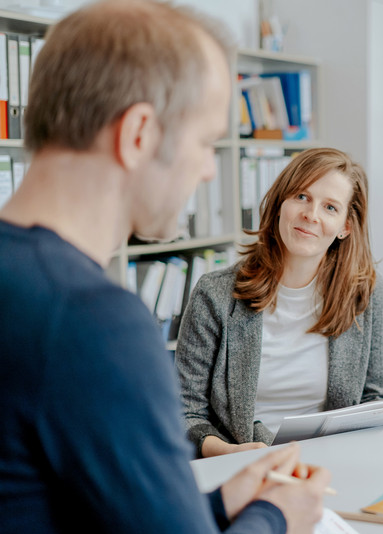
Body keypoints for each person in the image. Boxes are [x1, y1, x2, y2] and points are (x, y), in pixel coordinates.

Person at [0, 1, 330, 532]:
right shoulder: (91, 322)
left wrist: (218, 505)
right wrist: (277, 516)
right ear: (138, 134)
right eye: (203, 143)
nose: (206, 170)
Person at [176, 147, 383, 458]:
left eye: (330, 207)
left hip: (334, 461)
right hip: (239, 463)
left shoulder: (366, 293)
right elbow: (185, 410)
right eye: (302, 197)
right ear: (281, 202)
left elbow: (379, 400)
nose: (311, 215)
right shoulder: (215, 294)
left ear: (346, 226)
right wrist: (227, 451)